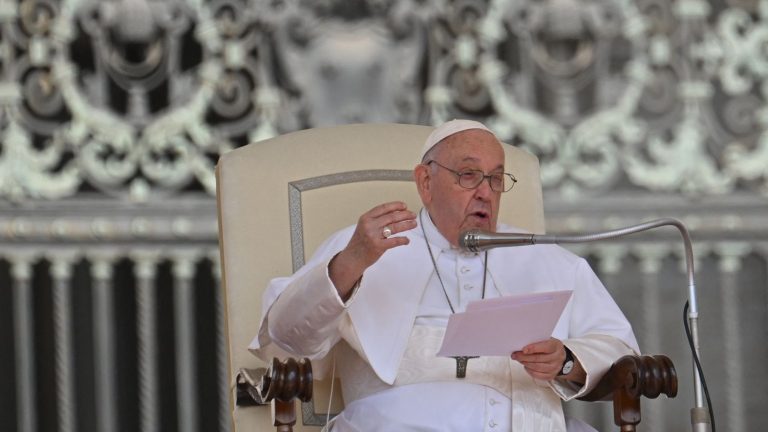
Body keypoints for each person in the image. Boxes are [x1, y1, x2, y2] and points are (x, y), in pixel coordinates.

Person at [250, 119, 639, 431]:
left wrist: (568, 362)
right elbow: (288, 333)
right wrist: (351, 262)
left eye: (496, 178)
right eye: (469, 175)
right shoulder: (365, 247)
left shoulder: (548, 259)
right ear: (425, 182)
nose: (486, 192)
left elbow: (617, 347)